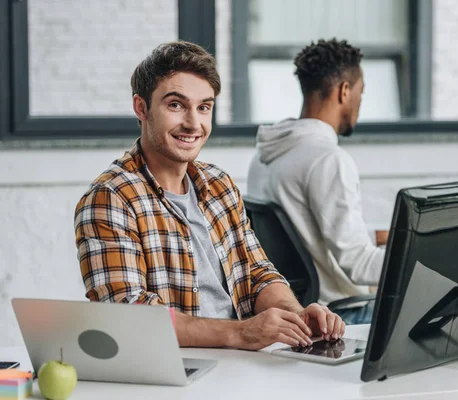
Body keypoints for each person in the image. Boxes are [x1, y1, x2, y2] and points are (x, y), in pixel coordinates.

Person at [74, 41, 344, 350]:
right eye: (176, 105)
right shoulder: (111, 198)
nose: (193, 123)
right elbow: (129, 314)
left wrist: (295, 317)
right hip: (176, 372)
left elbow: (256, 274)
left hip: (243, 362)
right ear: (141, 107)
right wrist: (241, 333)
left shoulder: (218, 184)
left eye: (204, 107)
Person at [246, 39, 387, 325]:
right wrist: (428, 258)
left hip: (294, 307)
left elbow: (304, 235)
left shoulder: (264, 155)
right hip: (341, 314)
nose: (360, 101)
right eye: (361, 92)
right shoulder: (328, 160)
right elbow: (358, 265)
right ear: (345, 91)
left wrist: (380, 237)